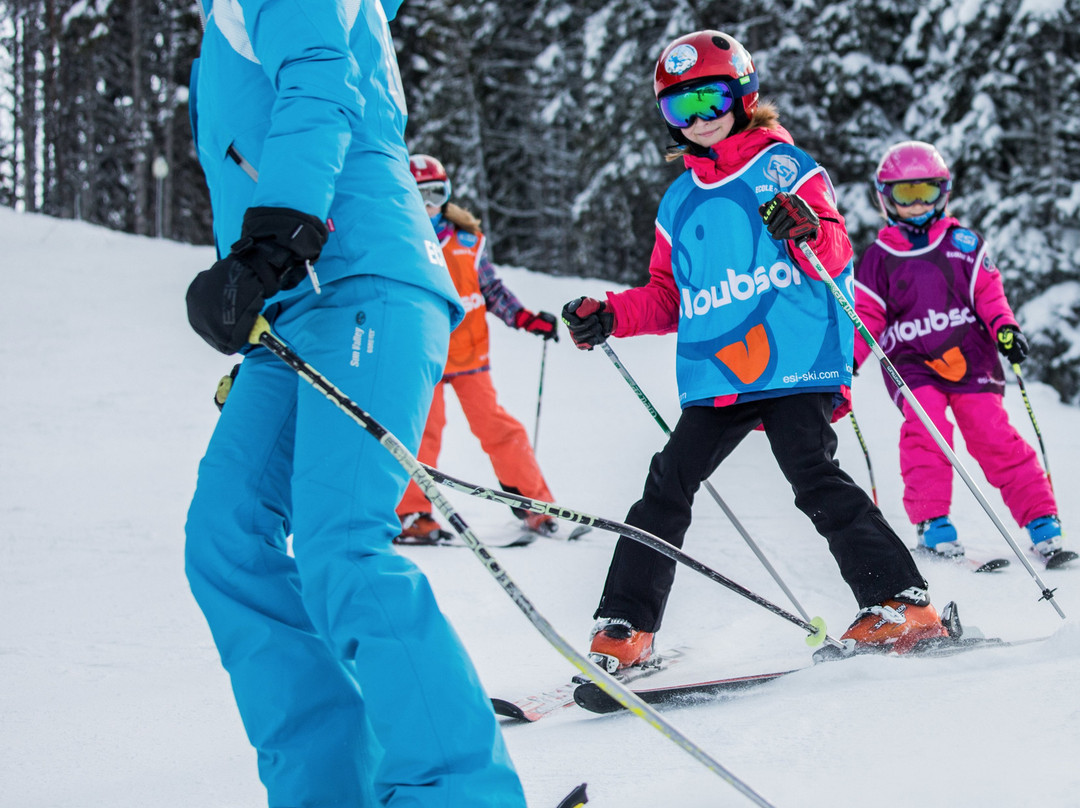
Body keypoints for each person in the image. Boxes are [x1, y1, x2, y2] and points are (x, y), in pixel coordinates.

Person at [181, 2, 525, 806]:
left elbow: (319, 80)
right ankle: (327, 789)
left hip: (357, 276)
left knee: (342, 540)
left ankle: (457, 795)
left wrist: (268, 245)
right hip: (292, 310)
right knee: (223, 536)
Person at [561, 30, 947, 672]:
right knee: (666, 484)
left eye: (710, 100)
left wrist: (807, 228)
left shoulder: (784, 167)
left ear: (743, 96)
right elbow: (666, 296)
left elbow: (834, 250)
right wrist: (610, 314)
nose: (700, 119)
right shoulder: (679, 201)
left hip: (795, 359)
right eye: (680, 108)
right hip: (720, 373)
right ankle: (626, 628)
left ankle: (899, 602)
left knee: (811, 472)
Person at [853, 140, 1067, 563]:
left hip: (970, 357)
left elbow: (989, 295)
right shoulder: (880, 257)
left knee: (992, 433)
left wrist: (1005, 329)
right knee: (927, 428)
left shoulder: (964, 244)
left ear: (943, 192)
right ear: (885, 198)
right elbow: (867, 315)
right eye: (904, 194)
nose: (916, 205)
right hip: (913, 363)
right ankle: (934, 522)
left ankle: (1041, 518)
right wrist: (848, 361)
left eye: (925, 192)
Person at [395, 154, 560, 544]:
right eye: (417, 196)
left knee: (500, 429)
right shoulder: (399, 240)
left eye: (434, 194)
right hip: (425, 358)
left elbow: (491, 290)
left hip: (469, 357)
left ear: (447, 195)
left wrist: (525, 318)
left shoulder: (468, 241)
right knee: (422, 433)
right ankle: (412, 514)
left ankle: (534, 504)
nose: (427, 205)